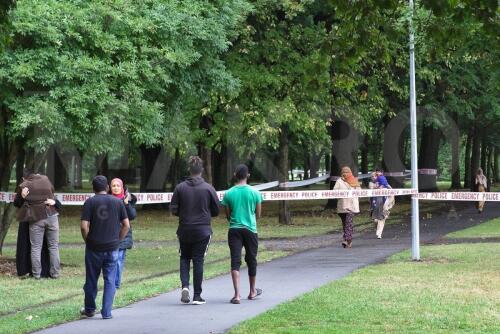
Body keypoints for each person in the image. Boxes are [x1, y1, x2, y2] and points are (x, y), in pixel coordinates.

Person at [170, 156, 220, 305]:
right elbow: (216, 210)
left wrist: (184, 214)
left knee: (184, 258)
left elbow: (174, 209)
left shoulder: (180, 188)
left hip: (184, 229)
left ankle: (185, 286)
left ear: (189, 170)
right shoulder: (209, 188)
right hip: (203, 230)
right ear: (202, 170)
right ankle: (197, 295)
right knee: (198, 260)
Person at [80, 175, 129, 319]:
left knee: (91, 279)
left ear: (93, 188)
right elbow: (126, 225)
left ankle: (89, 309)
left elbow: (84, 226)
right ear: (107, 187)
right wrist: (118, 240)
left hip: (94, 247)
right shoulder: (118, 202)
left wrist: (87, 240)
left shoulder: (89, 202)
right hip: (112, 247)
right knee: (110, 280)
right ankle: (106, 312)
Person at [221, 164, 263, 304]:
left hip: (234, 230)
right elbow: (258, 214)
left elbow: (227, 214)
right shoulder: (255, 193)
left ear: (235, 175)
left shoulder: (229, 193)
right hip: (251, 229)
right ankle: (252, 291)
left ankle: (237, 294)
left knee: (235, 261)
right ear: (248, 175)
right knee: (252, 260)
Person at [15, 168, 60, 279]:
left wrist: (22, 195)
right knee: (53, 247)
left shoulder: (25, 185)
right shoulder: (45, 181)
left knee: (35, 248)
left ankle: (36, 274)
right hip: (51, 216)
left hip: (35, 218)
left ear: (23, 178)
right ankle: (54, 273)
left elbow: (16, 203)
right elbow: (55, 199)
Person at [109, 178, 137, 289]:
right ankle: (111, 282)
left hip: (123, 235)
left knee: (119, 259)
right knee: (111, 259)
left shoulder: (127, 200)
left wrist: (126, 204)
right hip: (110, 234)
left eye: (118, 186)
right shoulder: (107, 200)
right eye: (113, 186)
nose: (115, 188)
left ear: (122, 187)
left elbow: (132, 215)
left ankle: (116, 284)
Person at [333, 166, 360, 248]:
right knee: (345, 224)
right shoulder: (339, 181)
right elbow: (334, 191)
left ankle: (347, 240)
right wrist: (342, 192)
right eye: (343, 172)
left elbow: (360, 191)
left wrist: (353, 191)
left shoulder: (354, 180)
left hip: (352, 205)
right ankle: (348, 240)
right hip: (342, 205)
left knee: (349, 223)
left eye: (347, 172)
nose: (345, 174)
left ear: (350, 172)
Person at [369, 173, 394, 239]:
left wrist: (386, 186)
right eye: (372, 176)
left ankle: (379, 234)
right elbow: (371, 188)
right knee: (375, 220)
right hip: (375, 204)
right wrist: (376, 187)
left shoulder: (385, 183)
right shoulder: (371, 184)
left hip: (384, 205)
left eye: (374, 176)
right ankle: (377, 229)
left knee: (382, 219)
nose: (373, 177)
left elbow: (392, 191)